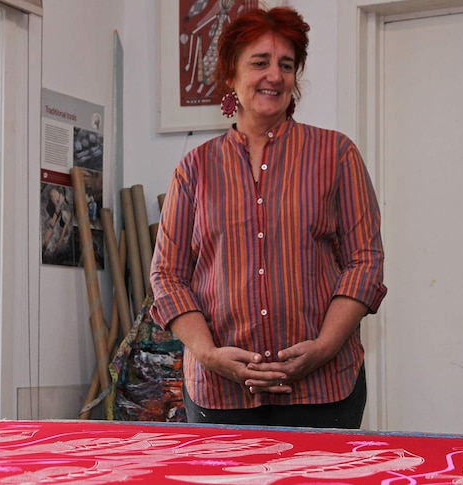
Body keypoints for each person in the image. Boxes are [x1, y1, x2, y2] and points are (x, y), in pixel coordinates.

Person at [150, 6, 387, 429]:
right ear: (230, 74)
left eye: (286, 65)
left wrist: (325, 346)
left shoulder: (336, 155)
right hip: (219, 394)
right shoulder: (195, 169)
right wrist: (208, 355)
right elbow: (167, 275)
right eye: (259, 62)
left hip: (324, 389)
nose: (274, 76)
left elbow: (364, 262)